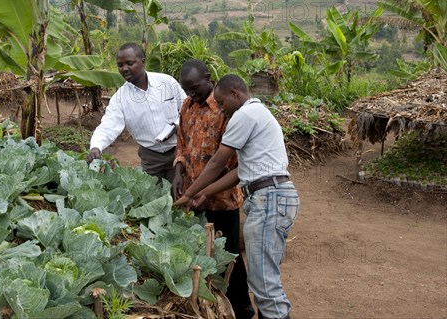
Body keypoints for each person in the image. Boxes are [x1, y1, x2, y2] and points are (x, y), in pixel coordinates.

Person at [174, 74, 299, 319]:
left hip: (269, 198)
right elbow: (239, 173)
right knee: (263, 275)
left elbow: (218, 160)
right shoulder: (258, 114)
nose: (220, 109)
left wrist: (188, 194)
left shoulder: (245, 115)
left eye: (221, 103)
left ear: (234, 94)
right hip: (272, 195)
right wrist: (202, 193)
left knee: (264, 279)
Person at [173, 59, 255, 319]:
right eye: (186, 89)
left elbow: (226, 161)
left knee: (228, 255)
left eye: (195, 88)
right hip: (194, 198)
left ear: (208, 78)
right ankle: (211, 307)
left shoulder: (225, 109)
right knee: (201, 254)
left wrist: (200, 189)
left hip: (222, 199)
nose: (191, 94)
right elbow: (182, 144)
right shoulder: (186, 106)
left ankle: (242, 309)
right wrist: (178, 171)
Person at [87, 42, 186, 183]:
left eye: (129, 63)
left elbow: (187, 109)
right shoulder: (120, 98)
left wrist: (176, 125)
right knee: (154, 196)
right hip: (151, 157)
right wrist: (96, 147)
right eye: (120, 65)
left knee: (181, 193)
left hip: (179, 150)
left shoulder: (166, 82)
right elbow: (108, 125)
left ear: (143, 62)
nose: (125, 69)